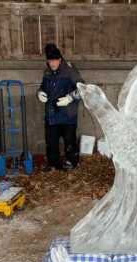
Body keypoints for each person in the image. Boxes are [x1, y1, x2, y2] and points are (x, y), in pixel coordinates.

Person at [37, 43, 84, 171]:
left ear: (60, 59)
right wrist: (40, 92)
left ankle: (71, 162)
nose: (52, 63)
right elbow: (43, 86)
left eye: (54, 60)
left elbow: (83, 89)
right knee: (51, 141)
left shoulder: (70, 71)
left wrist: (70, 98)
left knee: (69, 140)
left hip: (67, 114)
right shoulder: (47, 71)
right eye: (49, 60)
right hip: (52, 113)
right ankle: (53, 163)